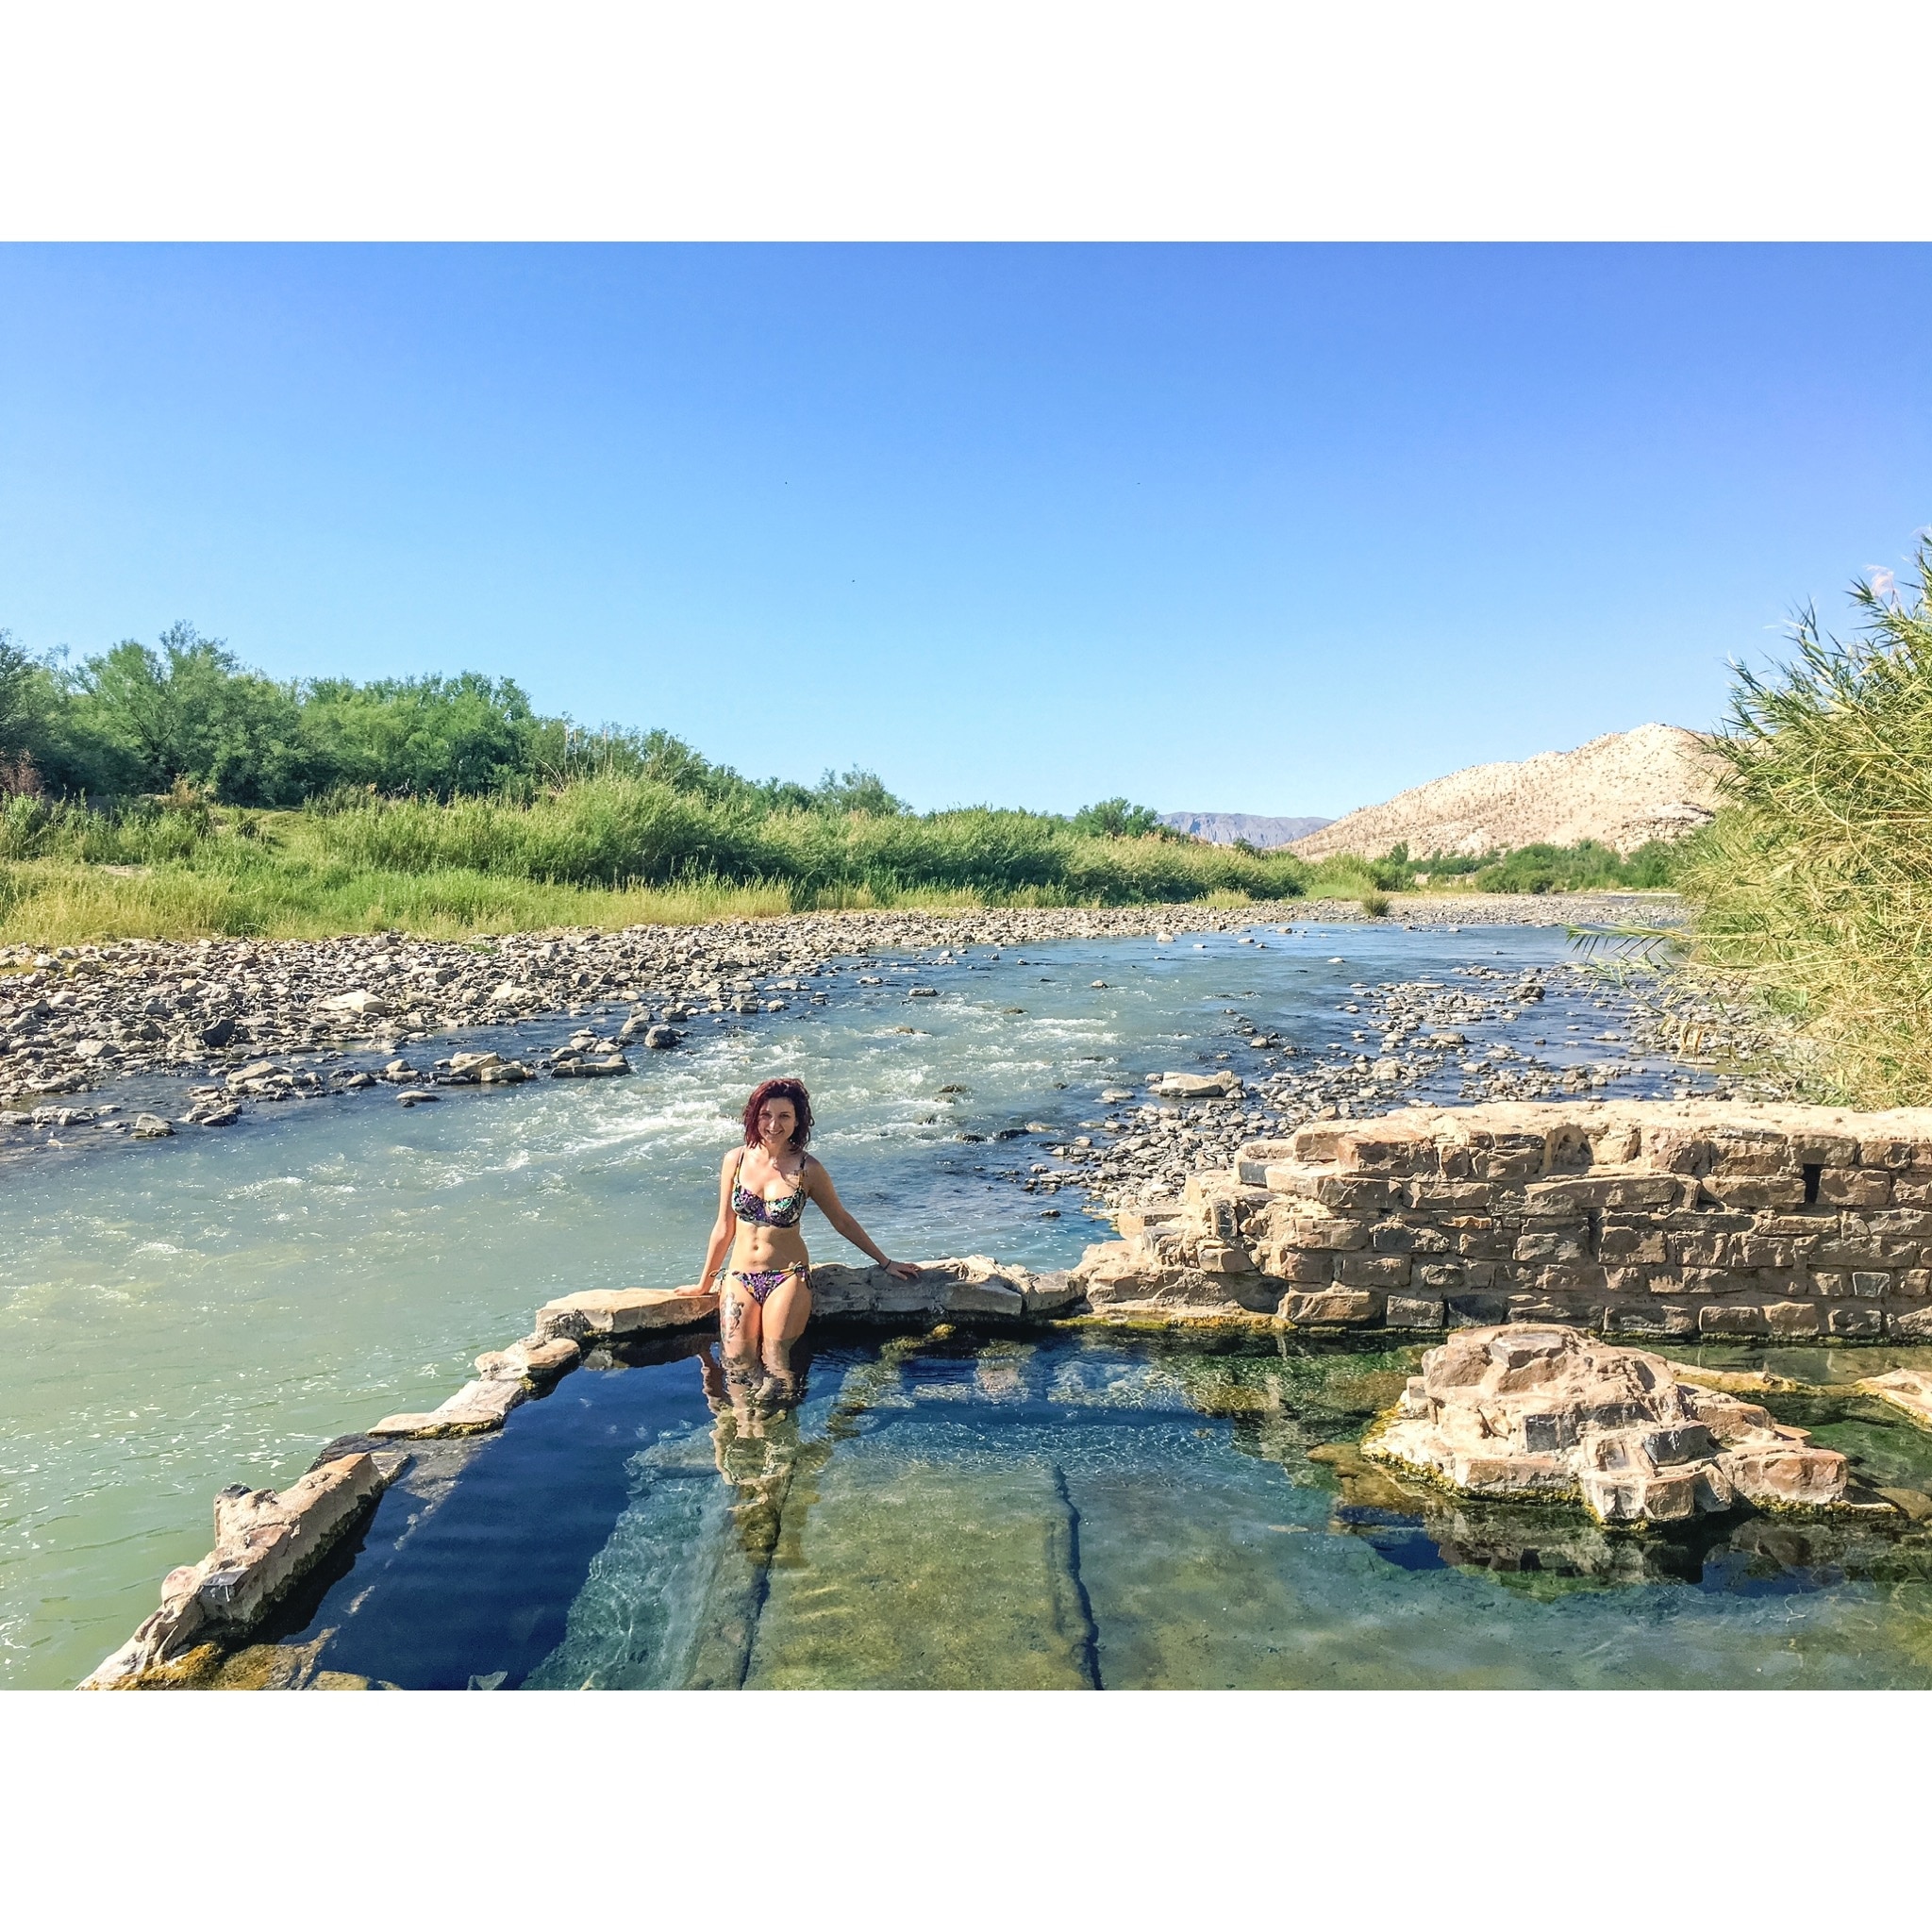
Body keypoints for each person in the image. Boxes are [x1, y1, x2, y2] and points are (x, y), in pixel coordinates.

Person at [691, 1076, 918, 1405]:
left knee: (776, 1360)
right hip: (739, 1276)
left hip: (787, 1277)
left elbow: (840, 1220)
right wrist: (703, 1284)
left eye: (784, 1116)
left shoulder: (808, 1169)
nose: (773, 1124)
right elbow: (724, 1227)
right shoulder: (735, 1160)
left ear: (798, 1121)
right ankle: (741, 1433)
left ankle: (781, 1441)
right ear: (754, 1116)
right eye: (766, 1115)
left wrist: (885, 1262)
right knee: (737, 1361)